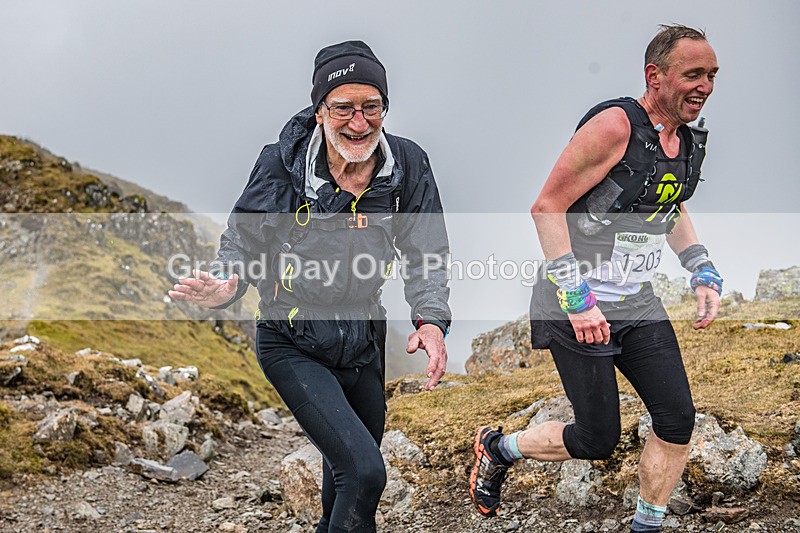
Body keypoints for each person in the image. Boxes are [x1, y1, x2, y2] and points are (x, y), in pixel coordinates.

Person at [169, 40, 451, 533]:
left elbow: (426, 251)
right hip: (293, 339)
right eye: (343, 108)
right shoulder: (283, 163)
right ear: (320, 111)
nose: (359, 123)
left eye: (372, 107)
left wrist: (430, 321)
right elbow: (242, 241)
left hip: (364, 340)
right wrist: (227, 283)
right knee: (364, 473)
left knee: (344, 480)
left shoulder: (407, 164)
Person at [469, 25, 721, 533]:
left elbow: (669, 209)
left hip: (636, 302)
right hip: (576, 305)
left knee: (676, 420)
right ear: (655, 76)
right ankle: (497, 448)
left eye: (712, 75)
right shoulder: (615, 126)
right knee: (596, 439)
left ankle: (645, 526)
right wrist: (578, 299)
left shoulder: (686, 140)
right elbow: (546, 208)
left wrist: (701, 266)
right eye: (692, 74)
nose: (705, 86)